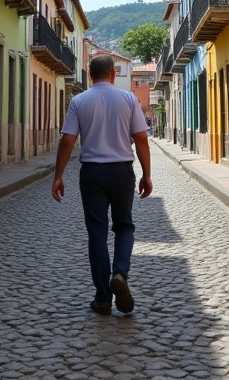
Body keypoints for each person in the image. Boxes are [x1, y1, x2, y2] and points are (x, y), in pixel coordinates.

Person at [52, 53, 153, 315]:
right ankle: (120, 272)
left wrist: (58, 175)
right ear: (112, 74)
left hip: (92, 173)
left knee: (96, 232)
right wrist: (146, 173)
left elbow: (67, 140)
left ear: (89, 75)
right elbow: (141, 138)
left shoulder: (78, 100)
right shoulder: (129, 99)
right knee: (124, 226)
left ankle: (103, 298)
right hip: (122, 171)